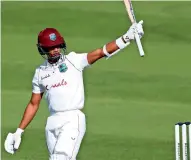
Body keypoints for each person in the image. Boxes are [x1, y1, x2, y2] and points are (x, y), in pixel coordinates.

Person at [4, 20, 144, 160]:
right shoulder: (40, 72)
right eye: (51, 47)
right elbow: (34, 104)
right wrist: (19, 131)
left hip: (72, 119)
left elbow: (101, 52)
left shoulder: (73, 61)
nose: (56, 49)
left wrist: (126, 37)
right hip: (52, 122)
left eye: (58, 45)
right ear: (43, 49)